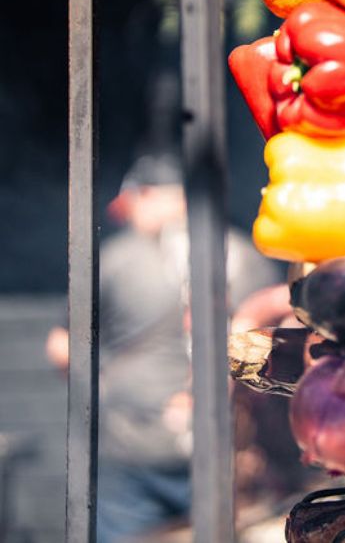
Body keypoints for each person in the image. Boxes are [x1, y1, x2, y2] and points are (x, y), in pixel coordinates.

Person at [47, 152, 278, 542]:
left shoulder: (117, 259)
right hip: (226, 450)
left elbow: (61, 348)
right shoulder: (246, 257)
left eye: (134, 202)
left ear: (151, 195)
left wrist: (102, 388)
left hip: (132, 448)